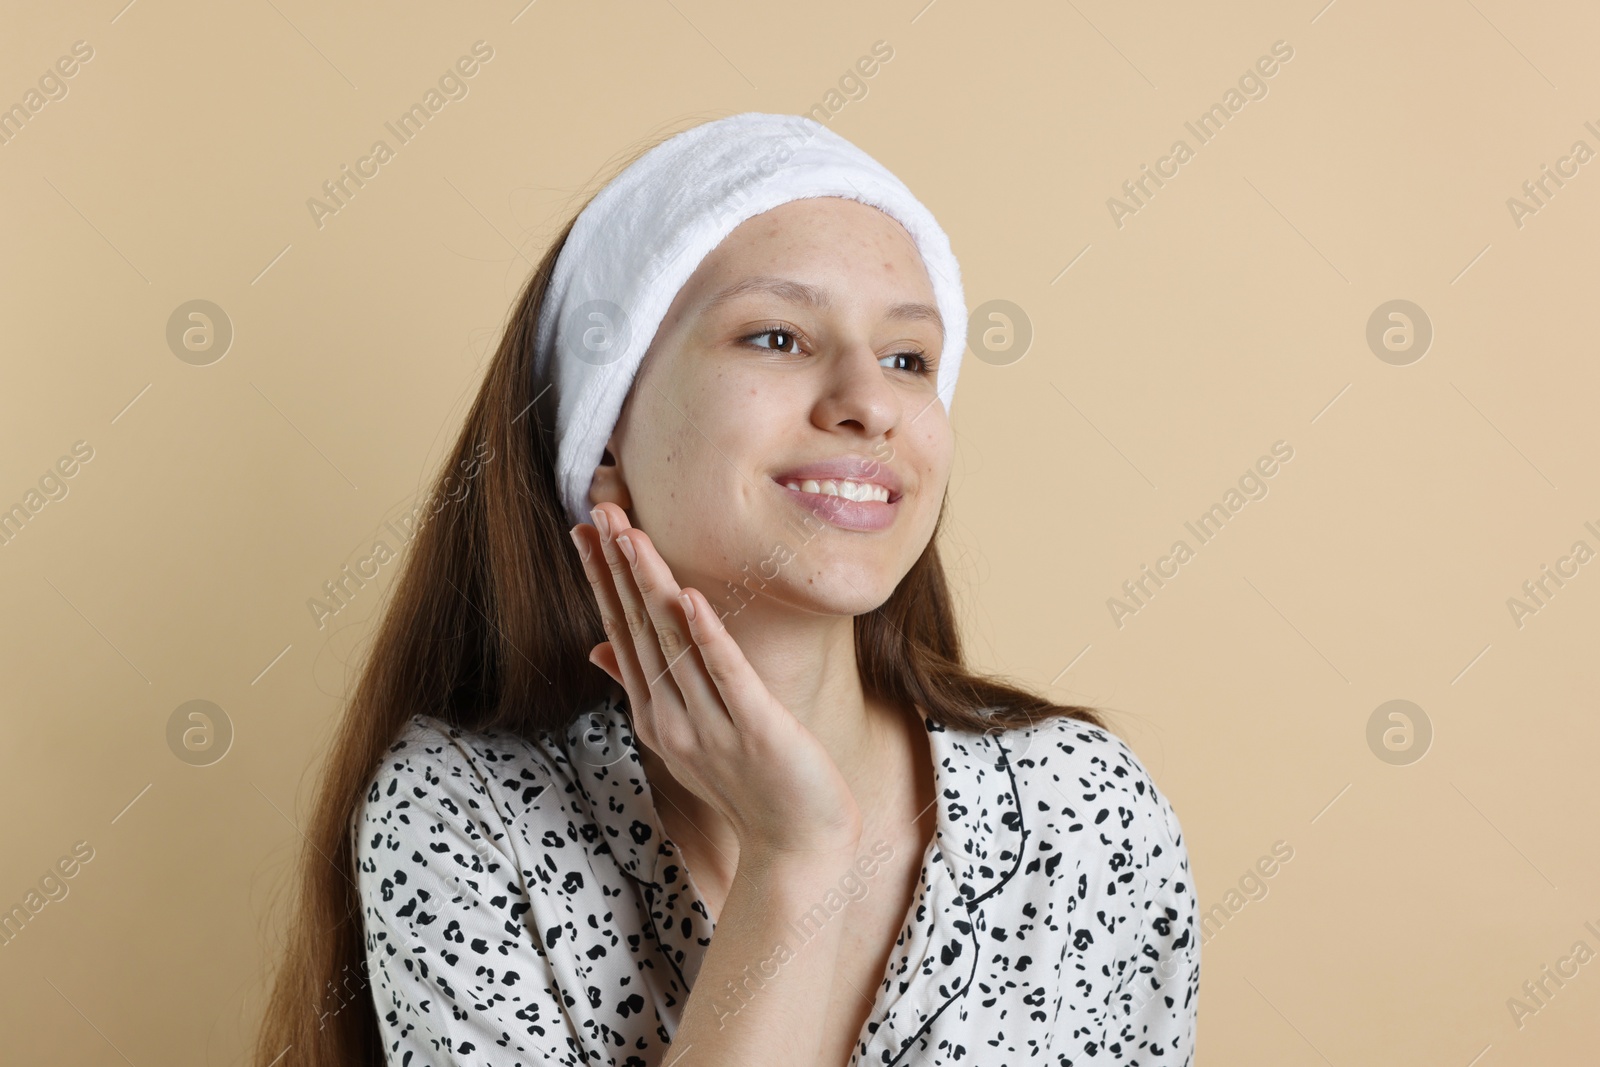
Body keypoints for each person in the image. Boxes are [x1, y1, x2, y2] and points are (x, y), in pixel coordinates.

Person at [253, 112, 1198, 1067]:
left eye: (908, 357)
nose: (870, 402)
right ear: (608, 423)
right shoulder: (468, 816)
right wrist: (796, 858)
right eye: (779, 336)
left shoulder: (1083, 811)